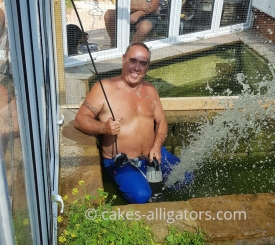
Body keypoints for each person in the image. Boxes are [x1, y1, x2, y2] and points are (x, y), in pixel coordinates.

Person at [74, 43, 192, 203]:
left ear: (147, 67)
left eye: (143, 63)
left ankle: (156, 182)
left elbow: (162, 121)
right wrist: (103, 128)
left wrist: (157, 146)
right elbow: (80, 120)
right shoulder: (103, 88)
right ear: (123, 60)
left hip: (154, 154)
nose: (137, 68)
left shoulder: (150, 89)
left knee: (186, 177)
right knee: (141, 196)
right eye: (133, 61)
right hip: (122, 161)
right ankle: (146, 185)